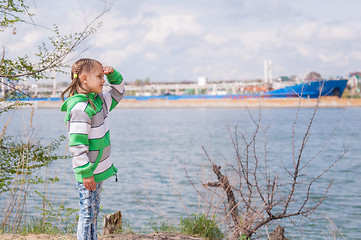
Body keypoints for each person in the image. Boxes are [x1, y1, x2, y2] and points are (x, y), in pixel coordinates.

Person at [61, 58, 125, 240]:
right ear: (84, 78)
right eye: (99, 76)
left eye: (103, 76)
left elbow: (119, 92)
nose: (103, 80)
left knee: (94, 214)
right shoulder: (81, 108)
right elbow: (77, 145)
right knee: (87, 215)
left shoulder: (100, 102)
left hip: (98, 171)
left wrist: (113, 74)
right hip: (88, 173)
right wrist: (85, 171)